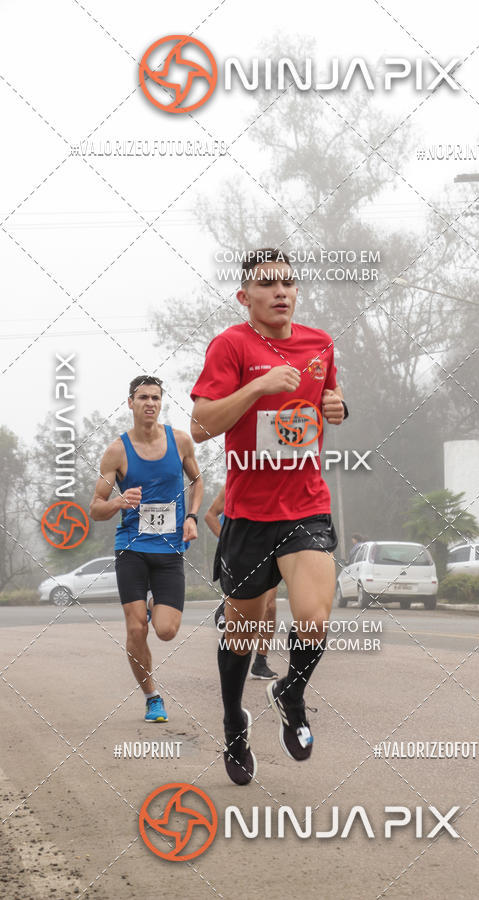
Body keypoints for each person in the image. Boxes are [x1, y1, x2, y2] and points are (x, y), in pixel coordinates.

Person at [190, 248, 347, 785]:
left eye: (288, 282)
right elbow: (202, 425)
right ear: (245, 296)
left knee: (315, 619)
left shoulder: (320, 342)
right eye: (267, 283)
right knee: (241, 634)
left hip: (306, 506)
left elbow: (330, 396)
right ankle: (234, 722)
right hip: (249, 516)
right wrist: (258, 385)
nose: (281, 291)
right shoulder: (231, 345)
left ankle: (290, 693)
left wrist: (337, 406)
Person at [90, 375, 203, 723]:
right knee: (136, 629)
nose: (150, 403)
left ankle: (154, 604)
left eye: (155, 397)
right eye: (143, 398)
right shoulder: (117, 451)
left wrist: (192, 516)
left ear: (161, 402)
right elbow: (95, 508)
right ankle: (152, 697)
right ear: (131, 403)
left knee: (166, 631)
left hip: (170, 550)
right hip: (132, 548)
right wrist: (119, 501)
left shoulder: (180, 441)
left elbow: (197, 481)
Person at [205, 485, 278, 680]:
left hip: (268, 552)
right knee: (242, 621)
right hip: (239, 555)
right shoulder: (235, 485)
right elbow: (210, 516)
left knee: (270, 607)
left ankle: (260, 662)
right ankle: (231, 659)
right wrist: (228, 543)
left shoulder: (277, 486)